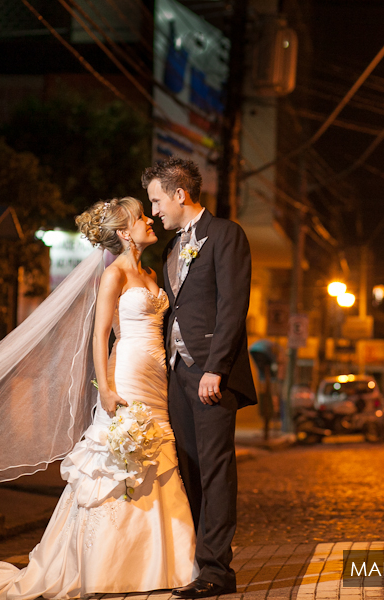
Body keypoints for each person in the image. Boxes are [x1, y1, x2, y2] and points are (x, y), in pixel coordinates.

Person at [0, 197, 198, 599]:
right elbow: (101, 335)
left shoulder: (153, 271)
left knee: (157, 455)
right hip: (128, 372)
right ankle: (107, 565)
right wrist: (107, 391)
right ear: (123, 233)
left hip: (157, 376)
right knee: (119, 460)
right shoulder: (114, 274)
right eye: (141, 218)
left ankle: (160, 560)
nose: (150, 220)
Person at [142, 158, 257, 599]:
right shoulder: (172, 249)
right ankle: (195, 561)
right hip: (177, 375)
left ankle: (215, 569)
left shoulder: (227, 235)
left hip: (210, 374)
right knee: (187, 469)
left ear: (178, 194)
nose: (155, 212)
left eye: (156, 200)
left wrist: (216, 368)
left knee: (215, 469)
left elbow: (232, 306)